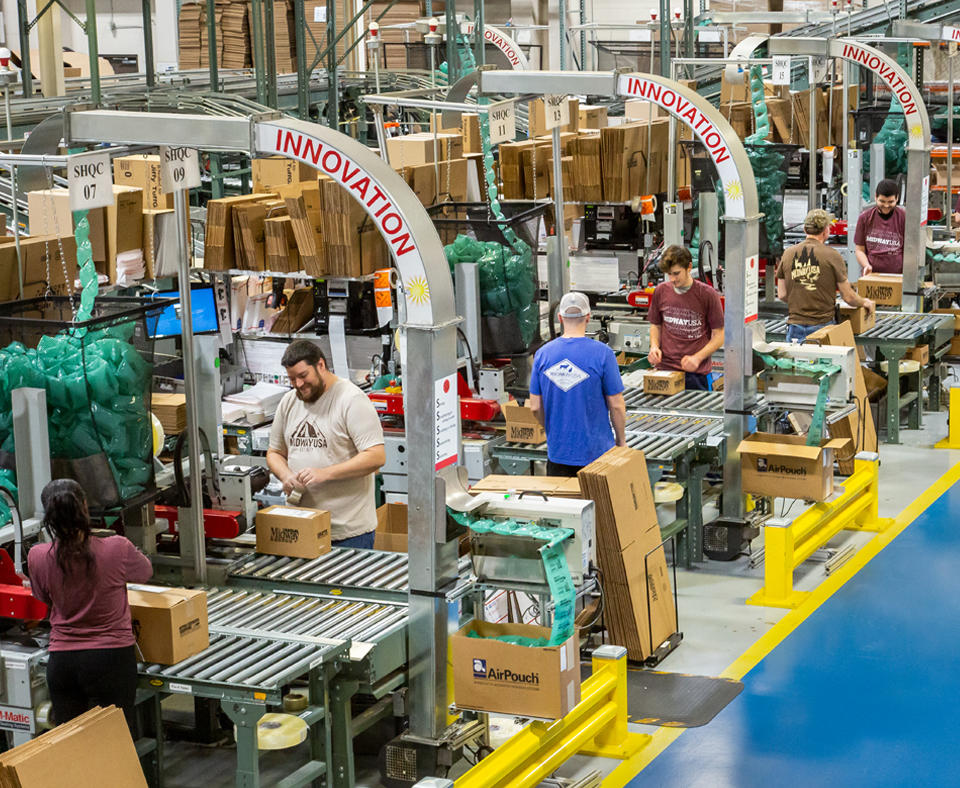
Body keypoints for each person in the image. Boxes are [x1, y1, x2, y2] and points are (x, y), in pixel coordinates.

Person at [26, 479, 153, 731]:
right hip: (111, 660)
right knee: (114, 743)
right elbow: (145, 572)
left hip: (63, 663)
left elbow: (42, 598)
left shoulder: (38, 556)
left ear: (48, 515)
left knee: (73, 747)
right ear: (84, 506)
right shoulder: (116, 548)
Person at [267, 340, 385, 548]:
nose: (299, 384)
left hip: (347, 533)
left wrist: (324, 473)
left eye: (303, 376)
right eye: (292, 378)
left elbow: (376, 456)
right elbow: (275, 452)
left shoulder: (351, 401)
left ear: (320, 365)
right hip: (301, 526)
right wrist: (285, 475)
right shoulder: (289, 402)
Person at [529, 292, 627, 477]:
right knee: (597, 505)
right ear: (588, 318)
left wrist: (552, 429)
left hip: (558, 454)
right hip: (598, 455)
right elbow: (616, 405)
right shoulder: (603, 353)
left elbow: (535, 407)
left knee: (565, 505)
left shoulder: (542, 354)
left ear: (560, 318)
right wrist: (621, 442)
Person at [777, 208, 875, 343]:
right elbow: (848, 297)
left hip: (795, 327)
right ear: (826, 231)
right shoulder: (832, 256)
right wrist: (865, 302)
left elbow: (782, 294)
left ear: (805, 230)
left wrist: (802, 300)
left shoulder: (788, 254)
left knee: (797, 363)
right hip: (822, 329)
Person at [646, 245, 725, 391]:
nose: (672, 279)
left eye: (676, 273)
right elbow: (655, 325)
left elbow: (719, 335)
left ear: (689, 267)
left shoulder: (707, 294)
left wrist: (698, 357)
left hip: (696, 374)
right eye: (669, 274)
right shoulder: (661, 291)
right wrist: (654, 346)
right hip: (665, 370)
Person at [855, 179, 905, 275]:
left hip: (897, 276)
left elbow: (909, 250)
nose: (886, 205)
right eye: (882, 201)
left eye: (890, 202)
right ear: (875, 197)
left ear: (897, 198)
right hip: (872, 275)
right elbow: (859, 250)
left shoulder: (903, 217)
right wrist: (866, 265)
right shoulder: (865, 218)